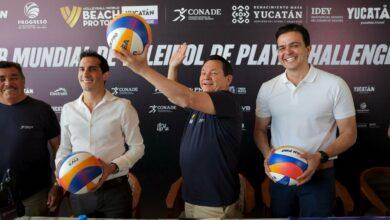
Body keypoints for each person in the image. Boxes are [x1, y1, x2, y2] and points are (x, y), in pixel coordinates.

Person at [114, 44, 242, 218]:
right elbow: (175, 96)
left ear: (228, 80)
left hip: (214, 202)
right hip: (194, 197)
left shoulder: (226, 101)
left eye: (213, 73)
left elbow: (184, 98)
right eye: (203, 72)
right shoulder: (202, 104)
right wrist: (173, 67)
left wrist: (142, 69)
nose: (206, 77)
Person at [254, 23, 357, 217]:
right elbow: (259, 130)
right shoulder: (268, 88)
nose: (287, 52)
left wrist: (319, 156)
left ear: (308, 49)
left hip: (320, 177)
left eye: (294, 45)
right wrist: (268, 154)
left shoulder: (335, 84)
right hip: (281, 177)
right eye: (281, 47)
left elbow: (349, 134)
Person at [55, 50, 145, 218]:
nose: (85, 74)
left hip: (115, 191)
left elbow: (138, 147)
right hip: (80, 191)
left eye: (92, 69)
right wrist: (60, 166)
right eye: (81, 69)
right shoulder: (68, 109)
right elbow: (65, 147)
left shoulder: (123, 106)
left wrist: (112, 167)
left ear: (105, 75)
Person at [0, 61, 61, 216]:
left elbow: (60, 150)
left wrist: (57, 185)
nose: (8, 83)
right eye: (2, 78)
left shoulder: (42, 110)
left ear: (23, 80)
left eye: (14, 77)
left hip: (34, 196)